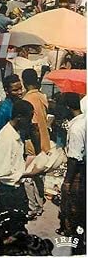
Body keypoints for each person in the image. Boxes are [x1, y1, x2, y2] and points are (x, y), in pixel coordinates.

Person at [0, 100, 45, 239]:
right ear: (20, 117)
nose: (31, 121)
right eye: (29, 117)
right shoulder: (7, 138)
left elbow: (14, 162)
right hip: (8, 194)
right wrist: (28, 173)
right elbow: (1, 172)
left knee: (18, 230)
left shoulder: (16, 134)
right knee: (8, 234)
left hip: (17, 190)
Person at [58, 93, 86, 254]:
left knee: (74, 211)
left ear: (68, 108)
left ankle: (77, 248)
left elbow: (75, 158)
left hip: (77, 174)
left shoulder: (76, 128)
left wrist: (67, 182)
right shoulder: (83, 121)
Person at [22, 69, 50, 220]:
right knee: (40, 175)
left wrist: (37, 147)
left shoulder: (27, 99)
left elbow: (33, 127)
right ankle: (40, 203)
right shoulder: (42, 96)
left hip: (33, 143)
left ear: (24, 82)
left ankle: (33, 207)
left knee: (29, 176)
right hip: (45, 140)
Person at [0, 74, 23, 140]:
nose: (20, 92)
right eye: (15, 90)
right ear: (6, 91)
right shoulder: (3, 111)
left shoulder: (20, 105)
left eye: (21, 88)